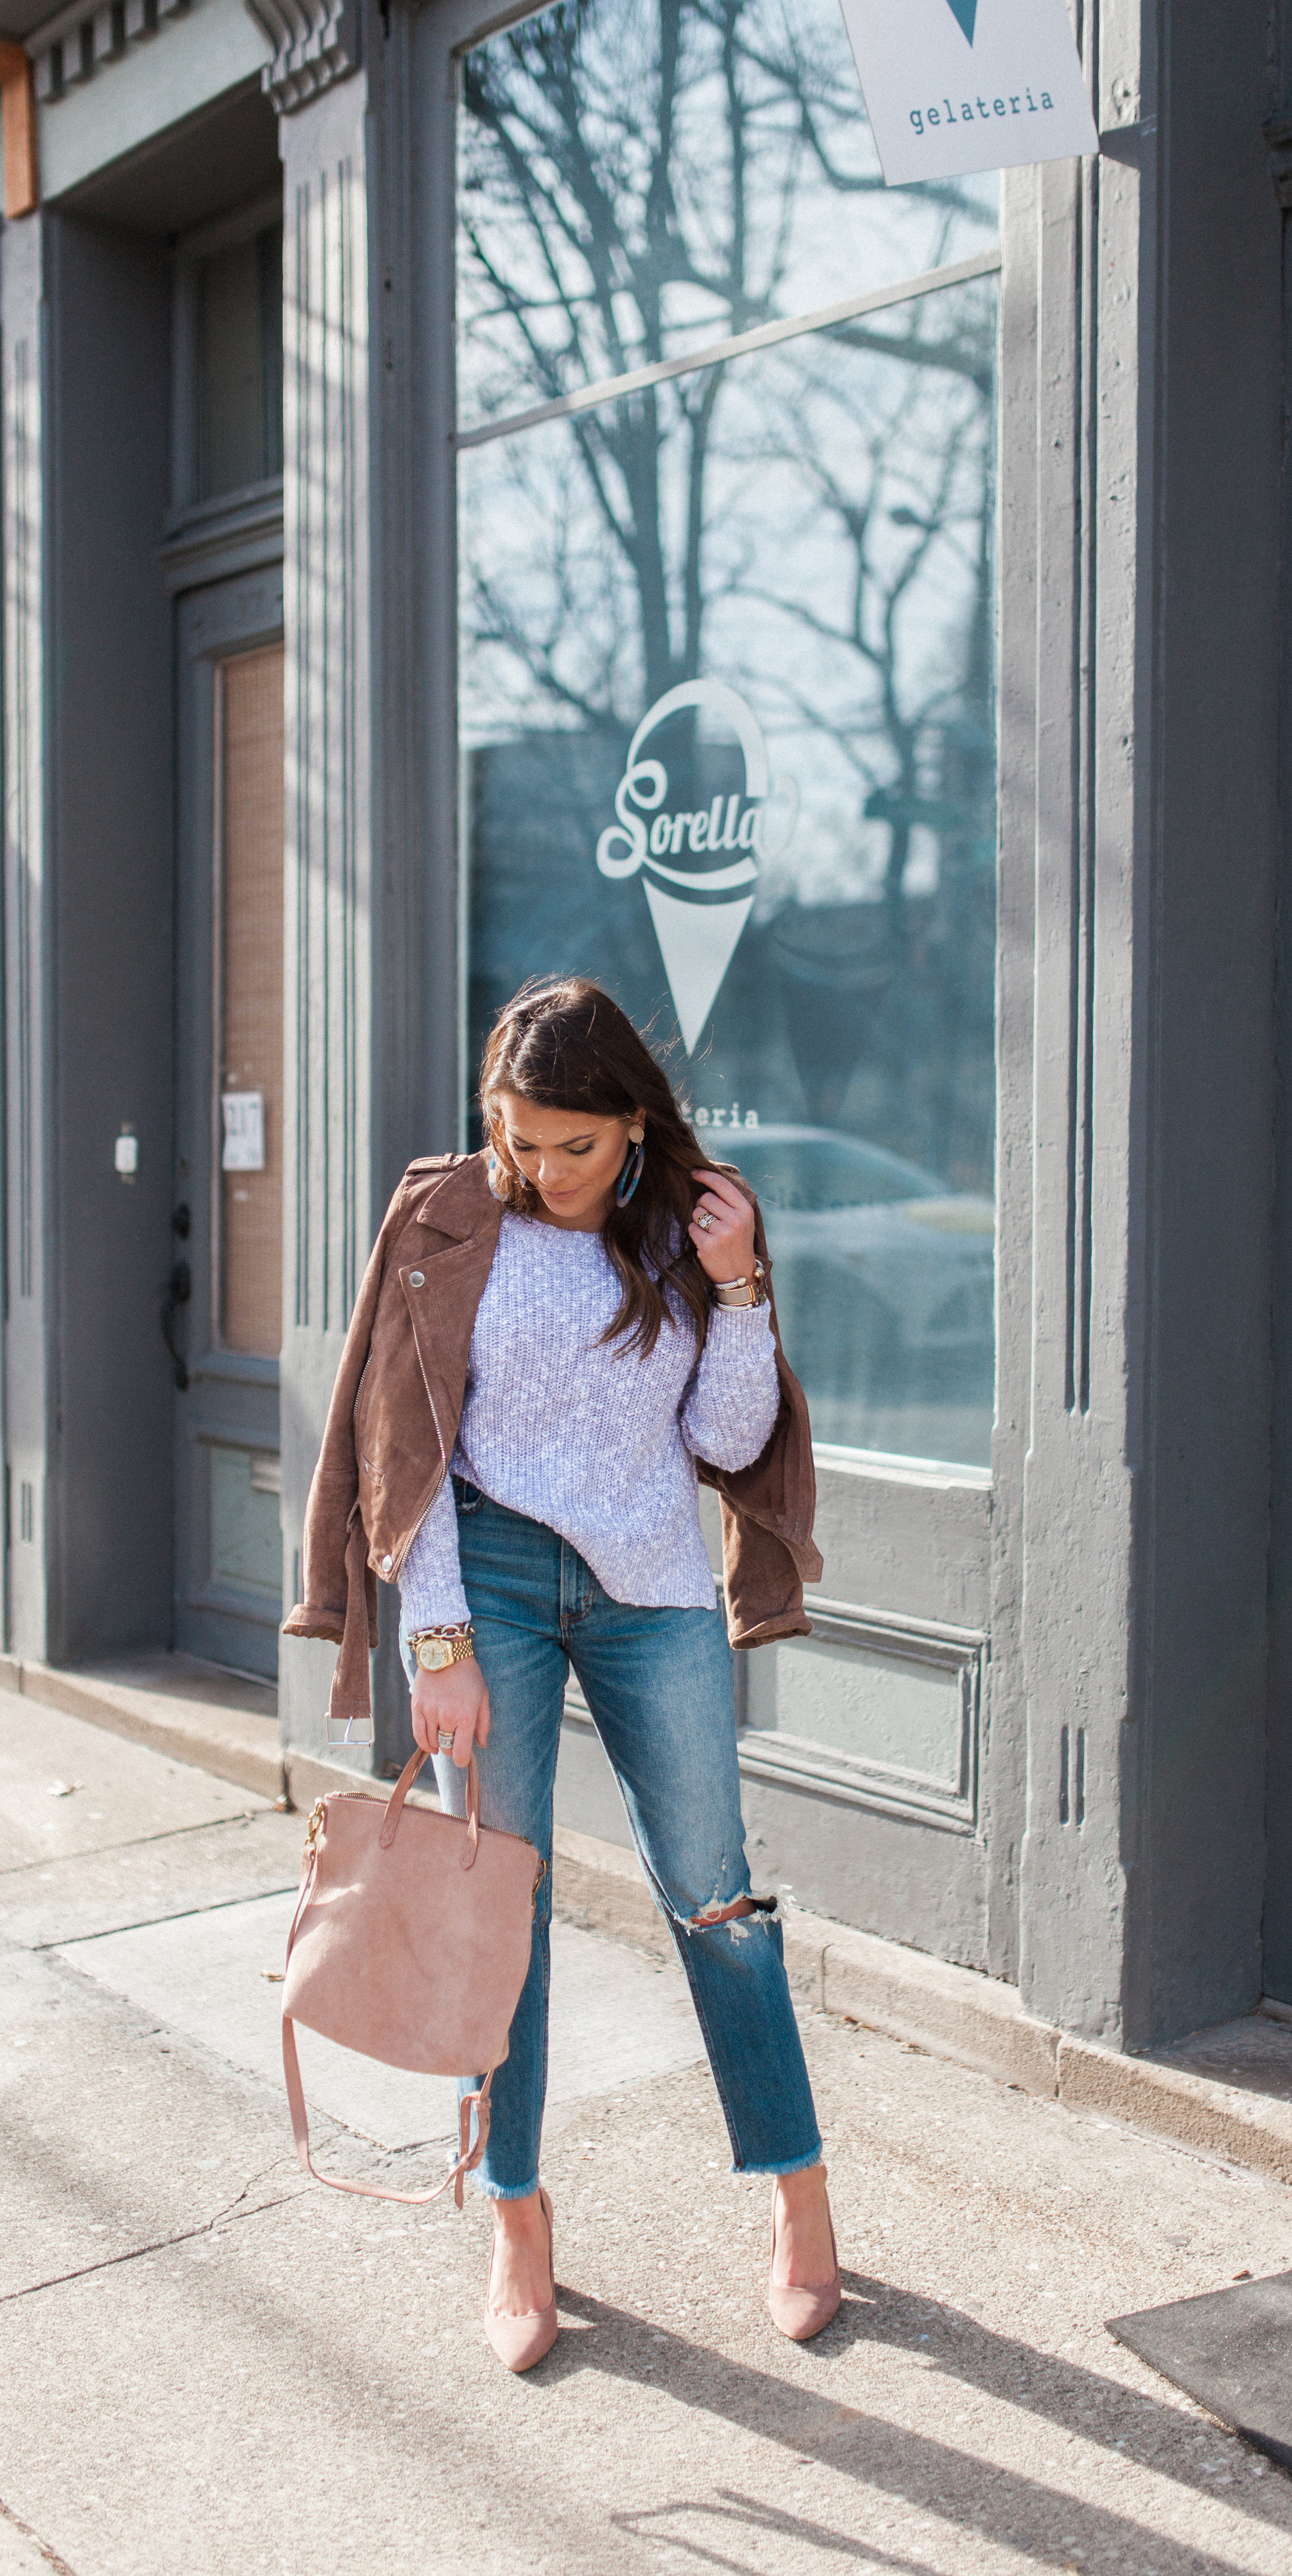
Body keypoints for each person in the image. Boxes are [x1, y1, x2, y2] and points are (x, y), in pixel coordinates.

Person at [285, 975, 840, 2371]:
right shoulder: (447, 1213)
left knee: (717, 1898)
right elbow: (399, 1444)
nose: (538, 1171)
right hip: (496, 1585)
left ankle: (796, 2191)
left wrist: (737, 1288)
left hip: (651, 1584)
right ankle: (518, 2216)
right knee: (498, 1910)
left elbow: (723, 1433)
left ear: (633, 1126)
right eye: (515, 1138)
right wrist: (438, 1636)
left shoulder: (685, 1226)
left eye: (570, 1145)